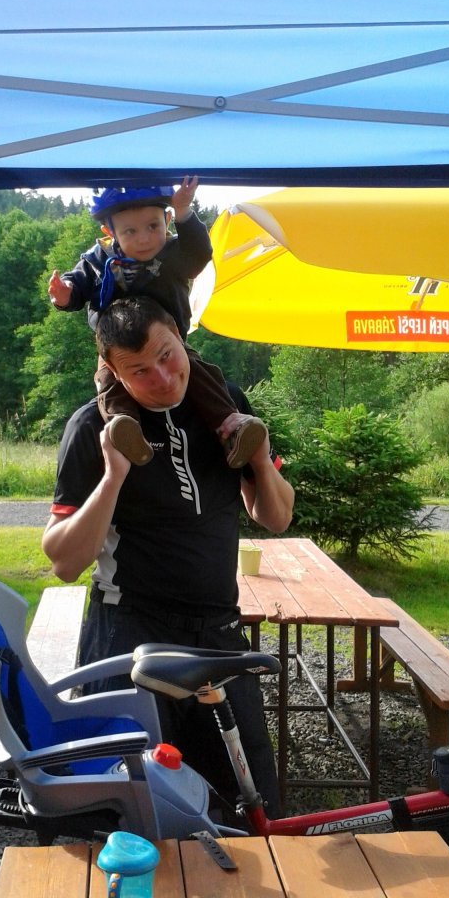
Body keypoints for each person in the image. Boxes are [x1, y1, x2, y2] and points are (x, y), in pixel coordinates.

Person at [42, 296, 295, 819]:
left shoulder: (223, 405)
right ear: (112, 371)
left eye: (166, 355)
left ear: (180, 336)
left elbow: (276, 516)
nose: (162, 377)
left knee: (252, 805)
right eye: (139, 370)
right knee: (133, 812)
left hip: (219, 634)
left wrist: (259, 461)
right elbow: (63, 561)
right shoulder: (92, 428)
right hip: (131, 637)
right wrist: (113, 478)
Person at [47, 177, 266, 469]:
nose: (144, 239)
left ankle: (231, 425)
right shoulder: (99, 259)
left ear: (167, 220)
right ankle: (124, 427)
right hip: (119, 349)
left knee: (201, 373)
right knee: (108, 380)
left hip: (167, 342)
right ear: (109, 232)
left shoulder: (174, 254)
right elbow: (79, 282)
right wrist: (66, 293)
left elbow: (199, 255)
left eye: (153, 226)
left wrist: (184, 212)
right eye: (130, 231)